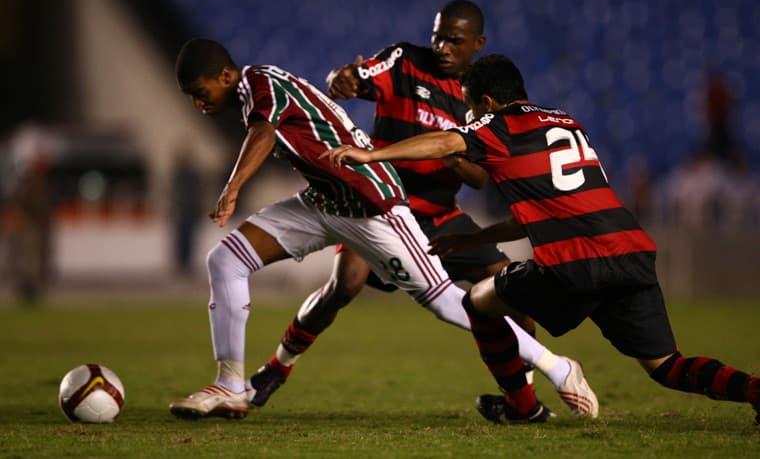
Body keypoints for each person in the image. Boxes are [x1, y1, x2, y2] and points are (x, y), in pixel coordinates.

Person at [167, 39, 595, 421]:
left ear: (225, 76)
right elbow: (312, 107)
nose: (198, 105)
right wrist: (346, 79)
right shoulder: (252, 93)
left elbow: (265, 130)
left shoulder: (259, 82)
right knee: (226, 259)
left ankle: (559, 367)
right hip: (324, 201)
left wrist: (232, 188)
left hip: (374, 204)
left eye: (201, 94)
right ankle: (230, 385)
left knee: (447, 303)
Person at [323, 54, 760, 424]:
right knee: (667, 366)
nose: (468, 119)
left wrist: (371, 153)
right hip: (629, 251)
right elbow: (553, 209)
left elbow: (445, 144)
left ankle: (522, 406)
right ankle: (756, 391)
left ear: (487, 102)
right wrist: (472, 242)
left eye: (469, 109)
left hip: (573, 262)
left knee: (478, 301)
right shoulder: (568, 121)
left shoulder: (499, 124)